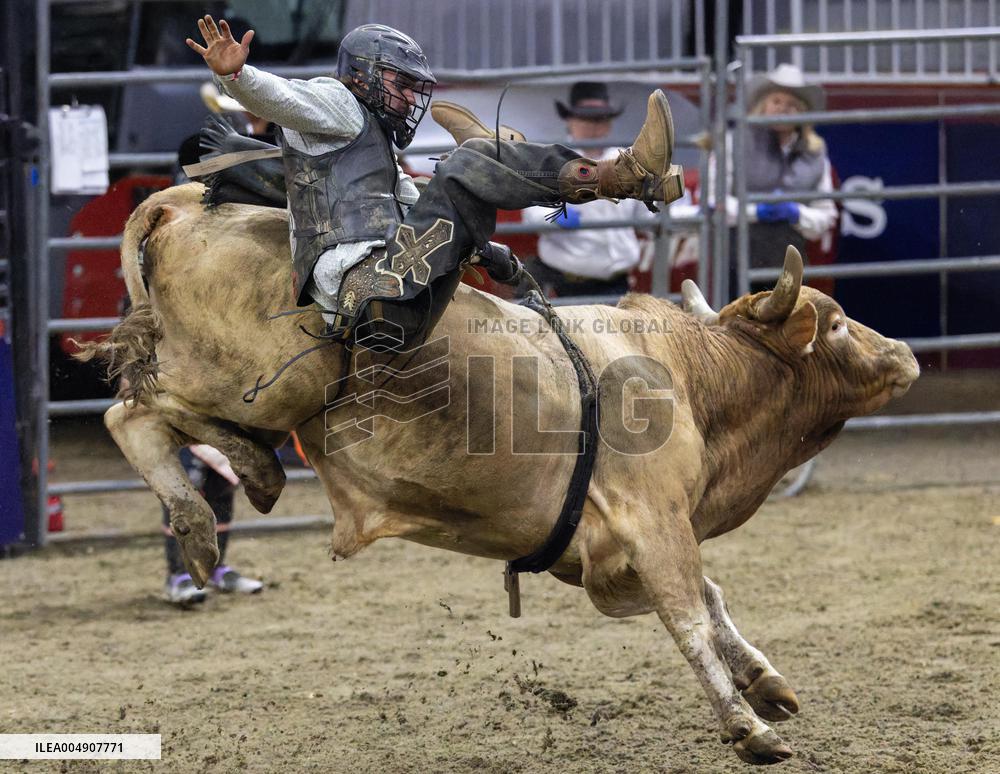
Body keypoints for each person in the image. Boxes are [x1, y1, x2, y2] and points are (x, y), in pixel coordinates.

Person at [184, 16, 684, 350]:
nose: (409, 98)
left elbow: (407, 199)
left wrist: (489, 252)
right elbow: (284, 98)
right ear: (363, 75)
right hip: (370, 287)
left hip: (387, 293)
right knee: (468, 167)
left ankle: (507, 157)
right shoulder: (335, 101)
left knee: (457, 175)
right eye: (401, 84)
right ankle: (618, 175)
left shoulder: (368, 139)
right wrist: (238, 77)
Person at [520, 82, 657, 298]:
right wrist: (556, 218)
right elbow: (532, 214)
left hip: (618, 283)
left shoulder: (630, 163)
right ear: (570, 121)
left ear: (609, 124)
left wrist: (677, 215)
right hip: (567, 284)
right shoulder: (552, 162)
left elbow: (648, 217)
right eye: (586, 118)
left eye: (600, 119)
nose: (593, 126)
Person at [162, 445, 264, 605]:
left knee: (221, 492)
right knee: (180, 494)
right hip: (181, 439)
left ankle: (214, 569)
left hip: (218, 440)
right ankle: (178, 576)